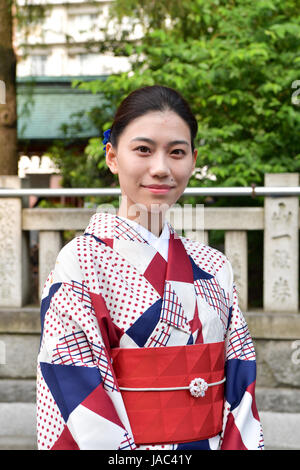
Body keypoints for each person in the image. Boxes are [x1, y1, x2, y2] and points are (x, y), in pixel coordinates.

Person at [36, 85, 264, 450]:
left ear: (193, 160)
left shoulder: (214, 266)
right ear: (112, 157)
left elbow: (240, 385)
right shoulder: (80, 265)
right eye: (143, 150)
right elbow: (74, 388)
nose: (161, 168)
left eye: (176, 152)